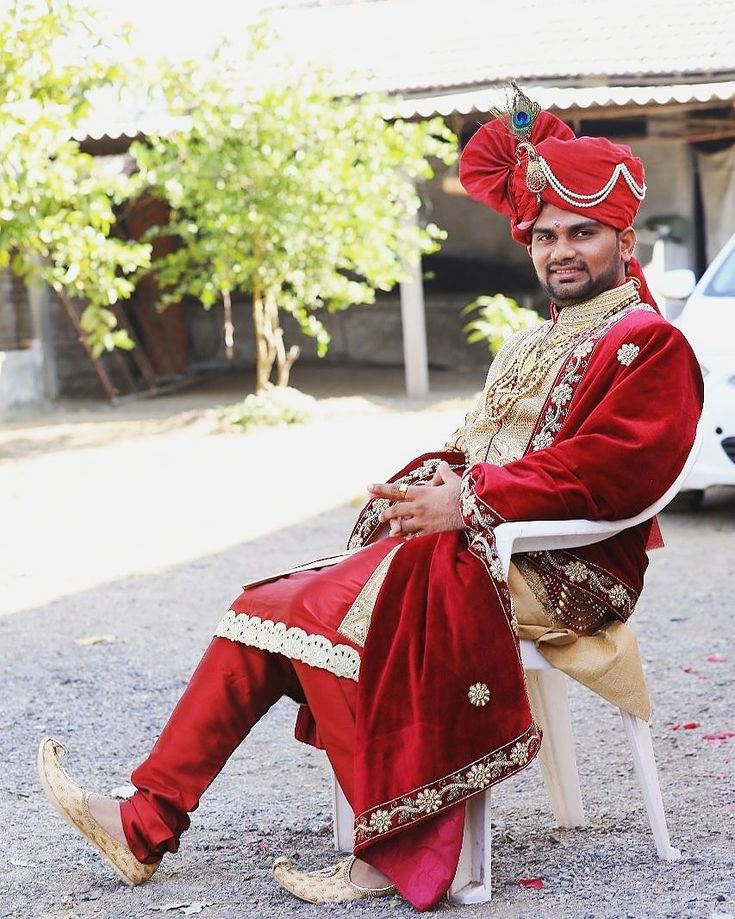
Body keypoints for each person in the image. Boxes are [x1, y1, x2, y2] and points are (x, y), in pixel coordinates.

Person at [38, 84, 703, 911]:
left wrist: (472, 500)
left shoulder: (648, 342)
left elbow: (612, 471)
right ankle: (143, 819)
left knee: (308, 612)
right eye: (544, 235)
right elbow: (475, 446)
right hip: (476, 540)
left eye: (581, 233)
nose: (559, 250)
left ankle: (391, 842)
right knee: (265, 606)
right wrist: (431, 481)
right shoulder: (534, 337)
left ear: (622, 238)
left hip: (562, 564)